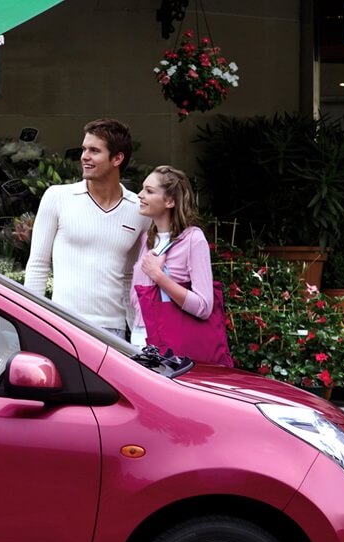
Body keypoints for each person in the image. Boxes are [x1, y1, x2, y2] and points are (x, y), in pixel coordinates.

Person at [24, 118, 150, 338]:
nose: (84, 156)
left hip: (113, 332)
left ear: (117, 158)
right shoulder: (57, 197)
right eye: (84, 149)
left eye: (94, 150)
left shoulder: (138, 209)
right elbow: (38, 265)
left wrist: (139, 332)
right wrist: (30, 322)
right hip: (63, 324)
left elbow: (130, 275)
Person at [129, 165, 232, 366]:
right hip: (140, 341)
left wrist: (159, 276)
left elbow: (204, 306)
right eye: (142, 189)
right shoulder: (146, 240)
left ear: (170, 201)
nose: (140, 195)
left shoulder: (193, 239)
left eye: (149, 191)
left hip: (173, 349)